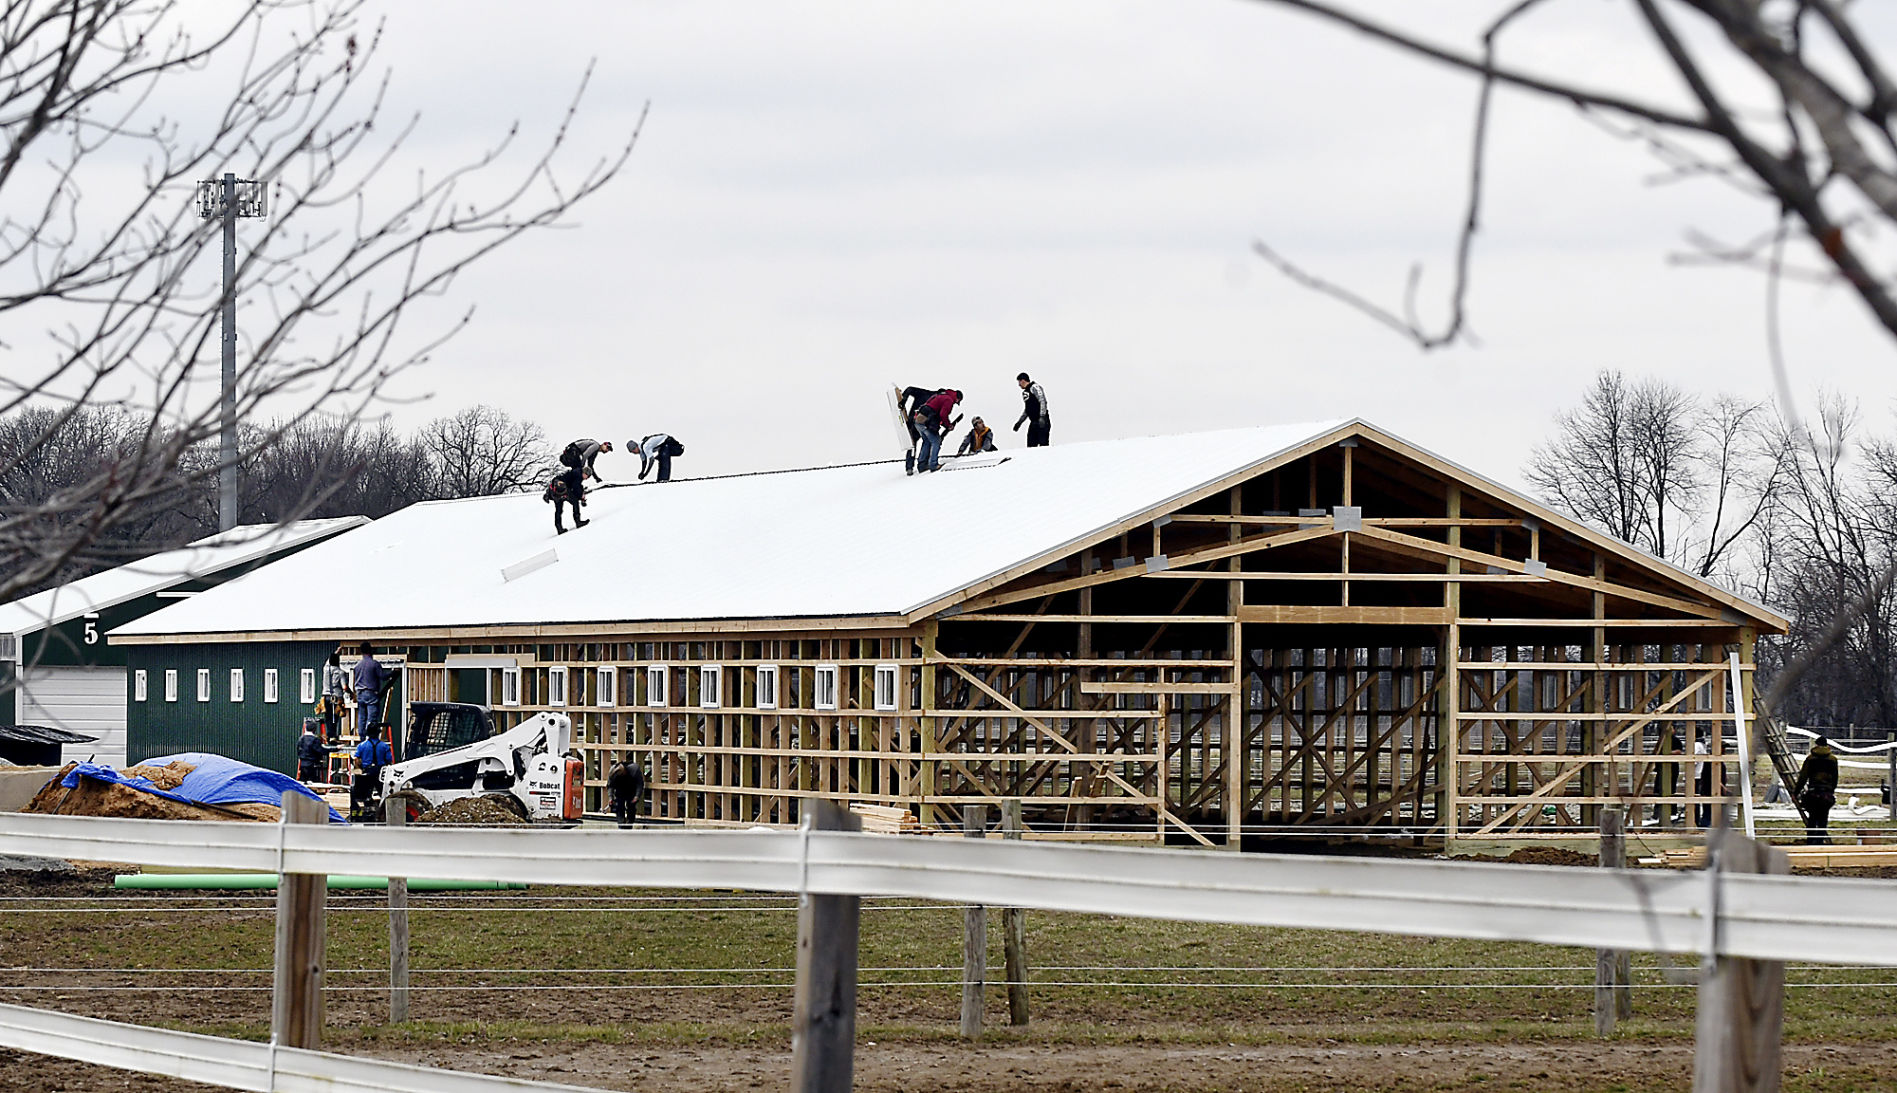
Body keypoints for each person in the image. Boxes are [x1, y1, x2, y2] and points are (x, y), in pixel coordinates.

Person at [1793, 735, 1840, 845]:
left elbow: (1803, 777)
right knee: (1823, 820)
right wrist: (1831, 790)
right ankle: (1820, 843)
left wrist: (1796, 792)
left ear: (1816, 744)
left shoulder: (1810, 759)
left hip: (1813, 793)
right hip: (1826, 794)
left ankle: (1810, 842)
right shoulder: (1833, 759)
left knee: (1812, 819)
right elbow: (1835, 778)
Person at [350, 724, 394, 822]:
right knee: (384, 793)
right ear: (378, 733)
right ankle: (385, 814)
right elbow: (389, 760)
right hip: (380, 772)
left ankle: (366, 814)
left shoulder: (362, 746)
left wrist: (360, 768)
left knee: (365, 796)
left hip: (368, 772)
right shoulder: (384, 746)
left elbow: (356, 759)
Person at [913, 389, 962, 473]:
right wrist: (948, 425)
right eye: (957, 401)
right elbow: (943, 414)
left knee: (927, 441)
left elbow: (937, 415)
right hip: (925, 422)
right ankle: (933, 465)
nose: (955, 403)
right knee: (936, 441)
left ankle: (921, 465)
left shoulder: (940, 396)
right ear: (957, 398)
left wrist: (945, 424)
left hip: (919, 421)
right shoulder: (949, 400)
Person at [351, 641, 394, 737]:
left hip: (359, 693)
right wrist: (393, 672)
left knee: (362, 717)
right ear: (370, 651)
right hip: (370, 692)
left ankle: (362, 737)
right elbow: (382, 676)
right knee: (371, 717)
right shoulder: (374, 664)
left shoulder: (357, 666)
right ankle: (370, 737)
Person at [545, 466, 588, 533]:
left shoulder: (573, 473)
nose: (586, 478)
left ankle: (559, 528)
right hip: (564, 490)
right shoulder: (578, 475)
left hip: (555, 492)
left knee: (558, 510)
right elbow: (575, 487)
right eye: (587, 476)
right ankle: (578, 521)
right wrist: (580, 497)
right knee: (575, 502)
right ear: (584, 473)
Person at [607, 754, 646, 827]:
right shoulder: (613, 773)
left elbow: (639, 784)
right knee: (619, 806)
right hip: (620, 790)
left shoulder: (634, 770)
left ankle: (629, 824)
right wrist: (610, 797)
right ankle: (621, 824)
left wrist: (637, 796)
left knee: (631, 807)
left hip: (631, 789)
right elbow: (610, 786)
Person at [1013, 372, 1050, 447]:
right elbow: (1027, 409)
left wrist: (1042, 416)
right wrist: (1019, 422)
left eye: (1019, 382)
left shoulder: (1034, 387)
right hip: (1033, 422)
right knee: (1031, 445)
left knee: (1043, 445)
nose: (1019, 385)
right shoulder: (1025, 393)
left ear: (1023, 380)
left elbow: (1042, 400)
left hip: (1042, 420)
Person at [320, 649, 348, 743]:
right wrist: (351, 693)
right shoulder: (341, 673)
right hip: (336, 698)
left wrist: (337, 651)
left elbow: (329, 661)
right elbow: (344, 687)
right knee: (334, 718)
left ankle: (329, 736)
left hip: (325, 697)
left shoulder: (326, 669)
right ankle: (332, 737)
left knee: (328, 717)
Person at [1692, 734, 1713, 828]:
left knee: (1694, 800)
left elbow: (1693, 761)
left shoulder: (1697, 745)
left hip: (1695, 776)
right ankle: (1700, 821)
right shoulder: (1701, 746)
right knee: (1699, 799)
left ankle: (1695, 821)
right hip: (1700, 775)